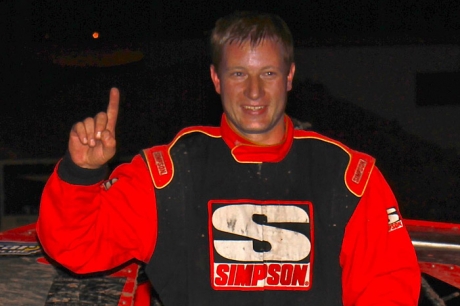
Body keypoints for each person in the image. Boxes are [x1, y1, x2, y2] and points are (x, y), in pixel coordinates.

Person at [37, 11, 421, 305]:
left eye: (267, 73)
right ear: (216, 79)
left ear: (289, 76)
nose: (254, 91)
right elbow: (76, 247)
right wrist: (81, 173)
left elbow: (388, 286)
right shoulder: (169, 176)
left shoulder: (347, 178)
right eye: (239, 73)